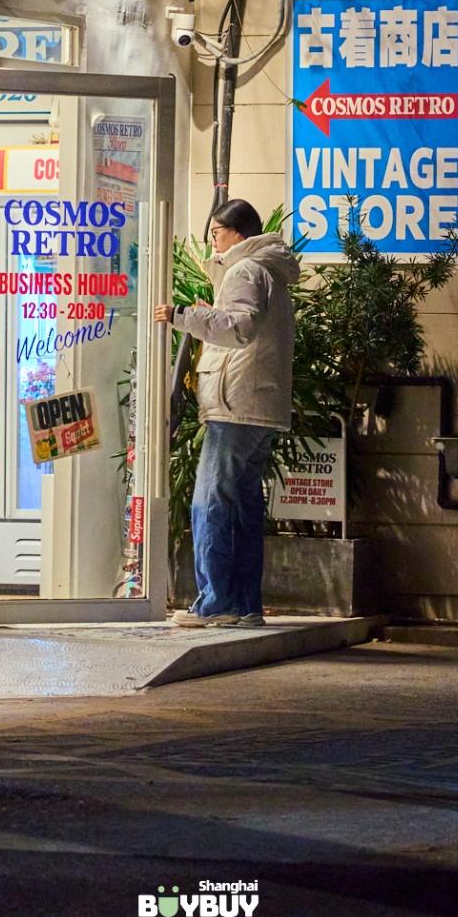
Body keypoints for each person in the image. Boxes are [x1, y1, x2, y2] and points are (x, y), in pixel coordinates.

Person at [154, 198, 299, 629]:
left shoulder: (245, 270)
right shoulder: (270, 271)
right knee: (242, 508)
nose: (212, 241)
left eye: (216, 233)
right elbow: (244, 323)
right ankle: (245, 606)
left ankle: (216, 603)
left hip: (236, 405)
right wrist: (208, 315)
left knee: (210, 503)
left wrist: (183, 316)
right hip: (259, 406)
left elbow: (239, 328)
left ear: (237, 232)